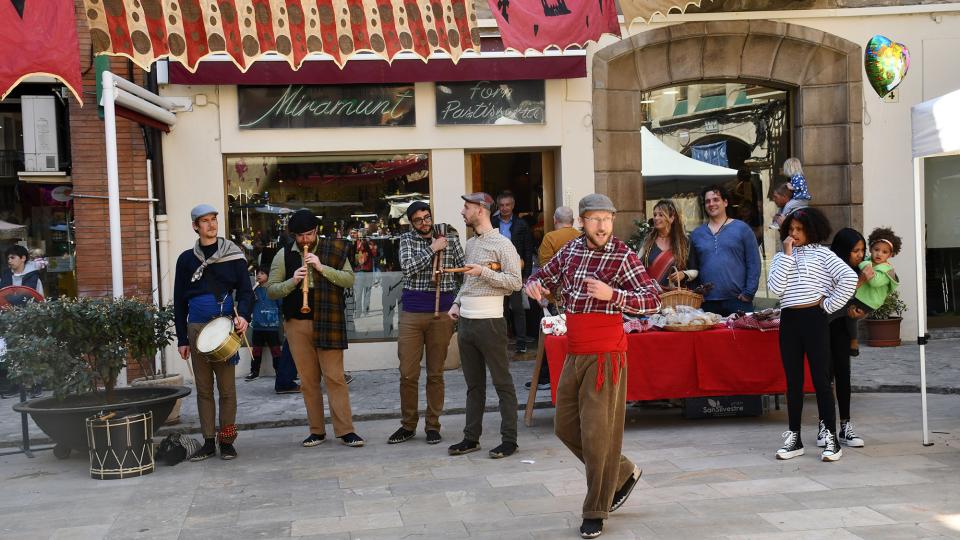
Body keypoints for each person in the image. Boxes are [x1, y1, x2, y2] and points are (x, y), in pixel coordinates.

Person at [526, 194, 661, 539]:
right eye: (595, 219)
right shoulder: (570, 251)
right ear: (582, 222)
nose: (602, 226)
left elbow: (653, 299)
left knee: (598, 436)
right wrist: (535, 285)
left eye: (607, 219)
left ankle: (595, 509)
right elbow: (546, 278)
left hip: (606, 353)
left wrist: (612, 295)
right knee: (565, 426)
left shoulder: (623, 255)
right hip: (575, 350)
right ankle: (622, 471)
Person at [266, 209, 364, 448]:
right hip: (297, 323)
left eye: (309, 234)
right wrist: (293, 281)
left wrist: (321, 268)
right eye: (300, 236)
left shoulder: (334, 249)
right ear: (294, 236)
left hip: (328, 319)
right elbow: (271, 289)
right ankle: (317, 431)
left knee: (335, 377)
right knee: (309, 381)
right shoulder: (284, 254)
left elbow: (349, 279)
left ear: (316, 231)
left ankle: (346, 430)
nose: (305, 240)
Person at [768, 208, 857, 462]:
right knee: (793, 382)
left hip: (814, 320)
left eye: (799, 229)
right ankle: (794, 438)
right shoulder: (780, 257)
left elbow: (849, 278)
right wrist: (786, 254)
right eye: (791, 229)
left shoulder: (823, 254)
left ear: (811, 230)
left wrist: (829, 305)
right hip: (789, 321)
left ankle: (832, 439)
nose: (794, 234)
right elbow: (775, 289)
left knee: (820, 380)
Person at [173, 204, 253, 461]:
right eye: (205, 221)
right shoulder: (186, 260)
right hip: (196, 328)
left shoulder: (234, 254)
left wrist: (245, 318)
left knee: (227, 390)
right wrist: (182, 339)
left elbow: (246, 292)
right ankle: (208, 441)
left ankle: (227, 441)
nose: (211, 225)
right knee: (204, 390)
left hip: (224, 328)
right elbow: (178, 301)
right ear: (196, 226)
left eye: (214, 220)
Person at [447, 192, 523, 459]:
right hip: (466, 321)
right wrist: (457, 302)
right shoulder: (470, 244)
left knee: (502, 383)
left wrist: (484, 272)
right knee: (473, 385)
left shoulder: (503, 245)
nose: (462, 212)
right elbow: (468, 283)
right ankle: (471, 438)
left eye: (466, 207)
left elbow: (516, 282)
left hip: (491, 322)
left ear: (480, 210)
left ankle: (509, 440)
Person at [388, 201, 464, 445]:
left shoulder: (449, 236)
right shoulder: (407, 240)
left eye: (427, 217)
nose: (424, 223)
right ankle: (408, 425)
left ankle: (433, 425)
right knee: (408, 374)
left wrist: (458, 302)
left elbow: (462, 270)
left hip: (441, 312)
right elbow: (408, 269)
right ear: (411, 222)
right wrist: (432, 248)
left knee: (435, 374)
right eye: (418, 220)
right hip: (412, 313)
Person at [526, 206, 581, 391]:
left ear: (554, 220)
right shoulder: (581, 237)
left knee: (551, 337)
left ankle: (545, 378)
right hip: (578, 297)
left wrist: (543, 295)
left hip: (555, 298)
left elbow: (546, 270)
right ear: (573, 221)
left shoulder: (550, 238)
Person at [824, 227, 869, 450]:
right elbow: (832, 303)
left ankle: (845, 426)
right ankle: (825, 427)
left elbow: (857, 303)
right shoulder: (831, 268)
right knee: (825, 377)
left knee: (844, 375)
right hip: (824, 327)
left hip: (842, 328)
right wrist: (859, 282)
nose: (860, 255)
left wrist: (860, 312)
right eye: (855, 251)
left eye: (862, 250)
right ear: (843, 251)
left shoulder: (858, 269)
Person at [690, 185, 761, 316]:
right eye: (707, 201)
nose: (711, 204)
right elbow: (693, 268)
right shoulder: (696, 234)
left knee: (743, 337)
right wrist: (697, 294)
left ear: (725, 202)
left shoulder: (742, 229)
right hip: (707, 303)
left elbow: (754, 263)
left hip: (738, 300)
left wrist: (749, 293)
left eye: (716, 199)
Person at [491, 191, 534, 353]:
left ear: (513, 206)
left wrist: (526, 276)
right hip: (496, 271)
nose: (504, 208)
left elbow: (528, 250)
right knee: (500, 309)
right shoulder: (492, 222)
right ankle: (502, 341)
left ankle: (521, 343)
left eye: (507, 205)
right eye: (501, 205)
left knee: (517, 309)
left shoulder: (522, 224)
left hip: (515, 270)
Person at [637, 199, 698, 288]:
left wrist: (684, 274)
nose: (656, 218)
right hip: (650, 295)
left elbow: (695, 270)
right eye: (655, 215)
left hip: (674, 298)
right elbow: (636, 266)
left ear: (672, 218)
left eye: (661, 215)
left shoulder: (685, 242)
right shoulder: (648, 241)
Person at [852, 227, 902, 322]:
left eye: (884, 252)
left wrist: (863, 264)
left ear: (890, 255)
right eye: (876, 249)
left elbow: (874, 281)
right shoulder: (868, 260)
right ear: (870, 249)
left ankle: (851, 336)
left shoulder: (887, 270)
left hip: (869, 302)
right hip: (860, 297)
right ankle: (850, 336)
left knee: (850, 315)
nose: (879, 254)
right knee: (848, 318)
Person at [246, 266, 282, 382]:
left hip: (272, 326)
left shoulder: (273, 289)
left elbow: (280, 305)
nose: (258, 276)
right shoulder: (254, 290)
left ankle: (280, 372)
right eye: (257, 273)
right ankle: (255, 372)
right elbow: (247, 305)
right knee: (256, 350)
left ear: (268, 275)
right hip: (257, 326)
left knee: (276, 350)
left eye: (262, 273)